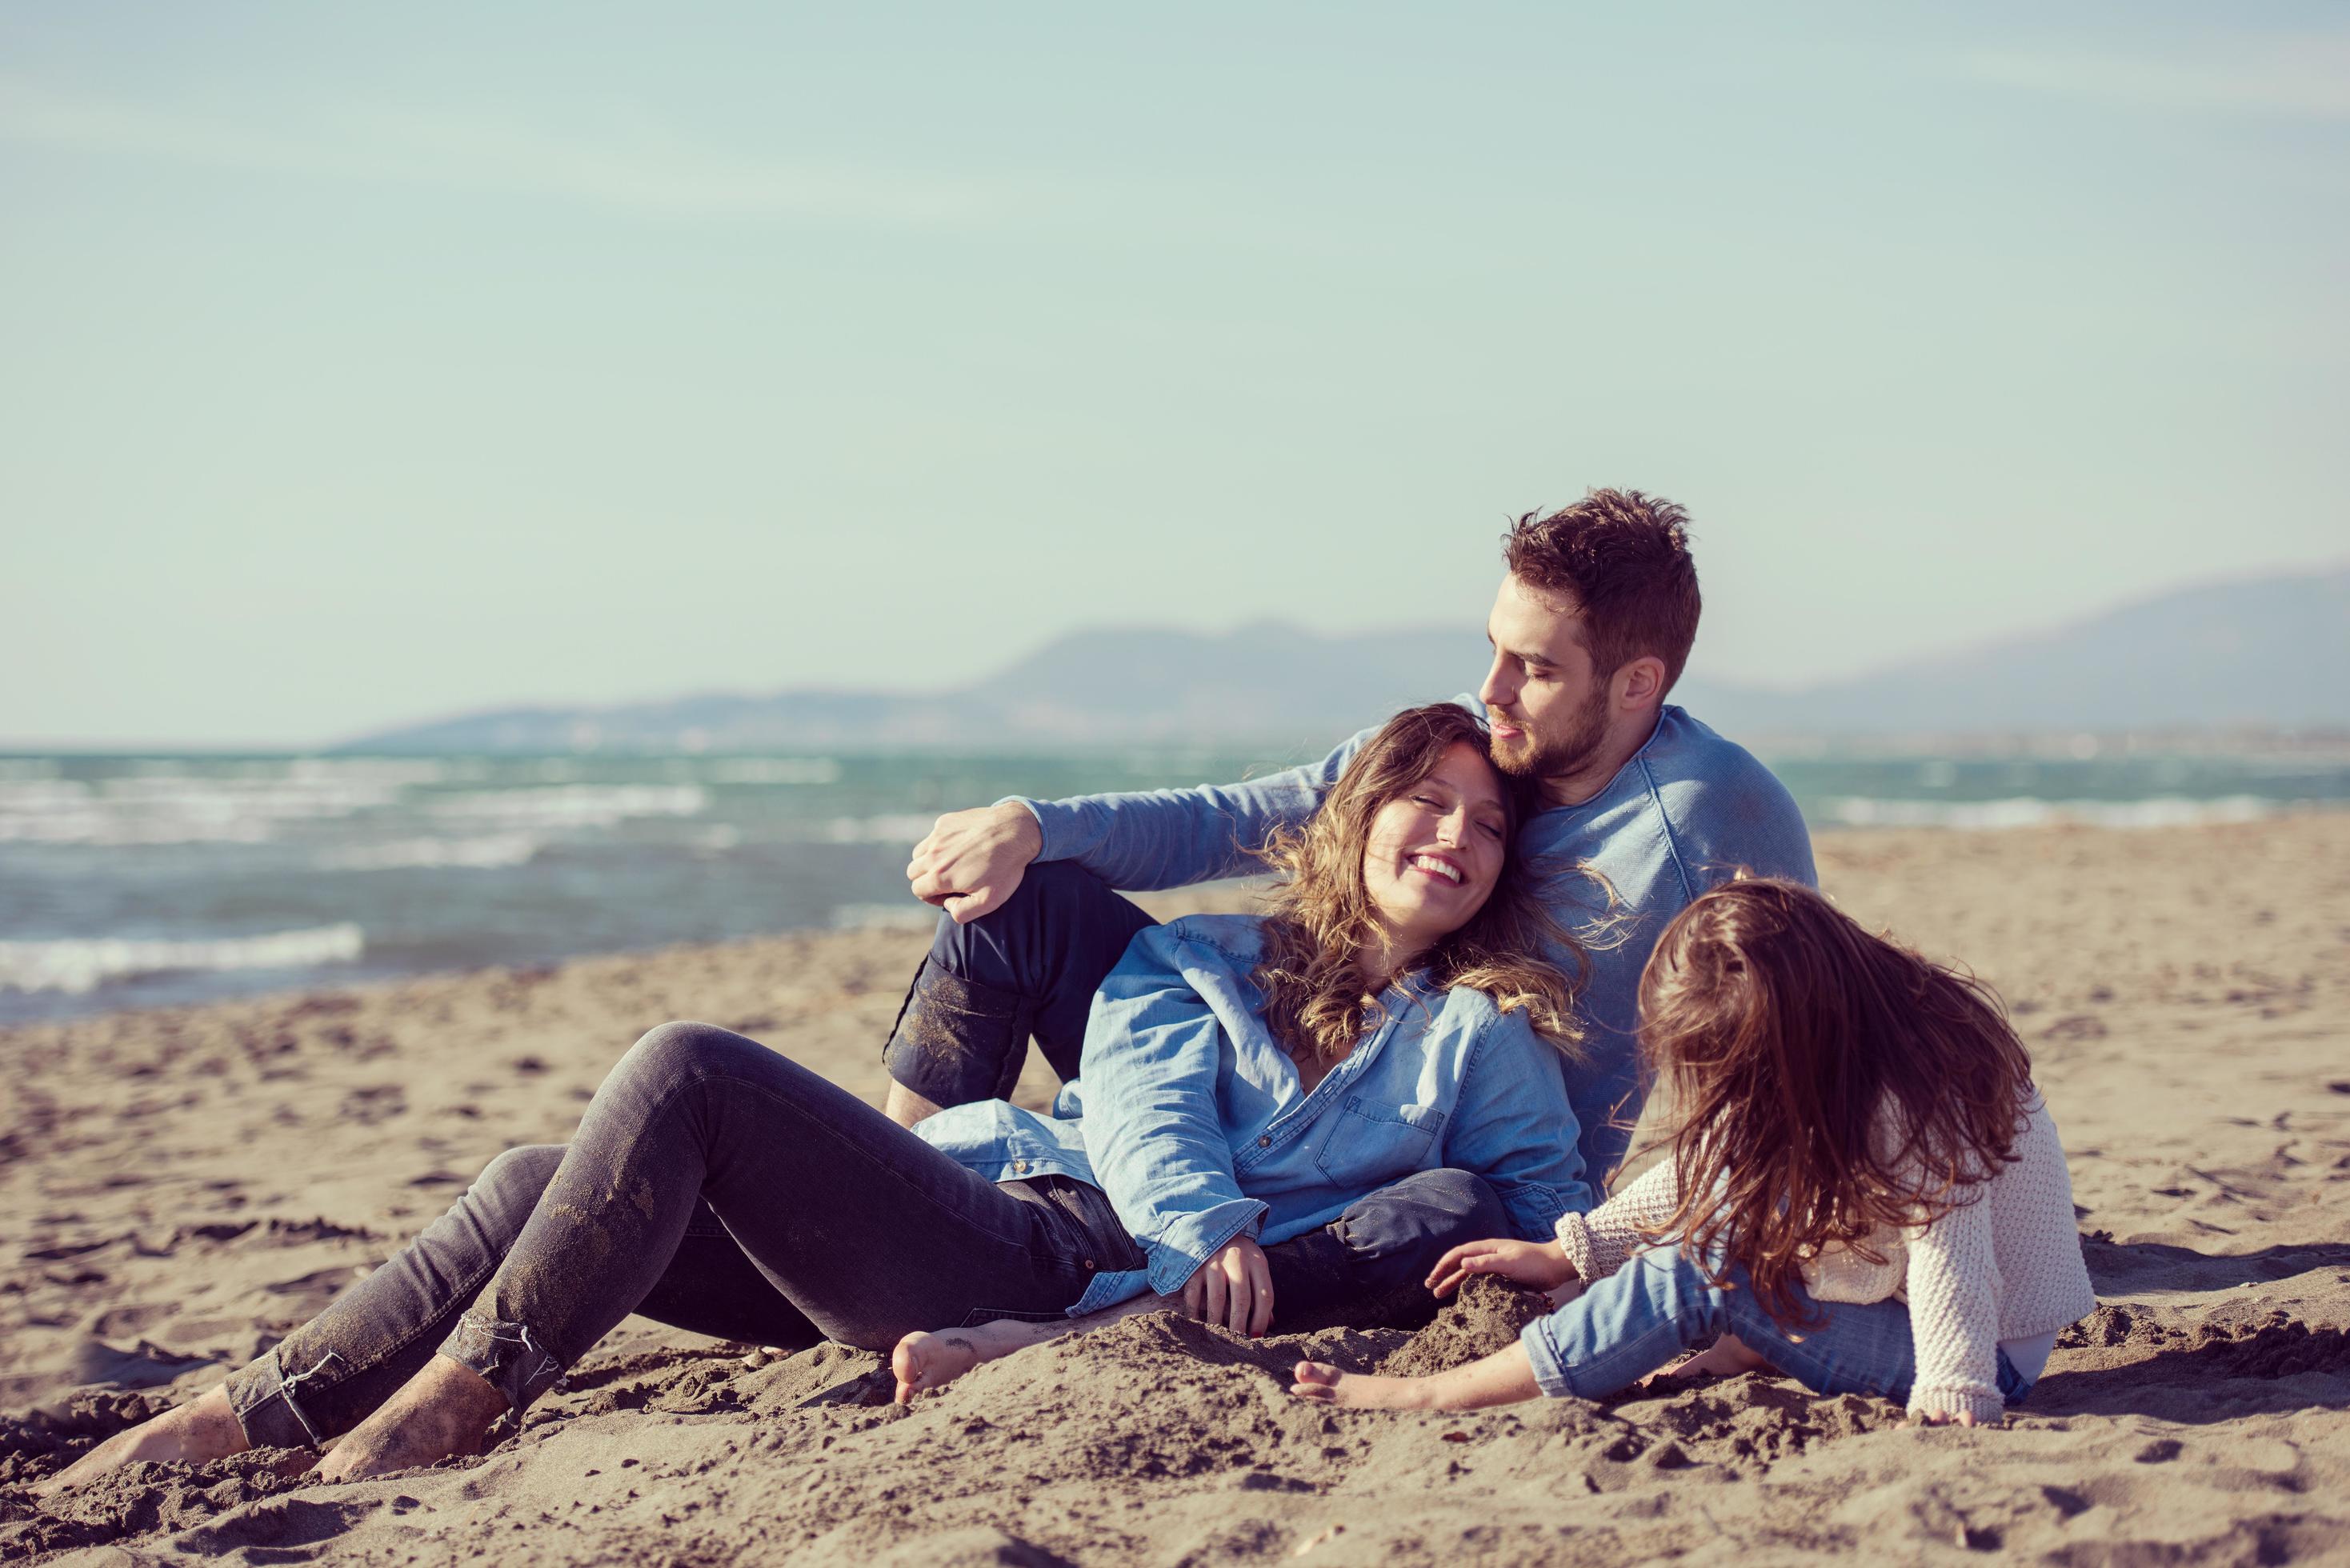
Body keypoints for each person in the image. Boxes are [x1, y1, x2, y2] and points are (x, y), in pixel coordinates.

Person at [42, 704, 1590, 1494]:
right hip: (1004, 1214)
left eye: (1481, 823)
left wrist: (1544, 1250)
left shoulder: (1478, 1040)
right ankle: (240, 1415)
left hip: (1059, 1267)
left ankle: (476, 1388)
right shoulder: (1197, 956)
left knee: (686, 1068)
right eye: (1422, 800)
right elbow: (1135, 1104)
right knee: (534, 1178)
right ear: (1356, 815)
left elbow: (1527, 1206)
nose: (1450, 835)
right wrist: (1201, 1226)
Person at [892, 489, 1816, 1208]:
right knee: (1023, 901)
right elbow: (1233, 819)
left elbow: (1799, 1054)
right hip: (1284, 1069)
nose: (1491, 689)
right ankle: (894, 1188)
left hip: (1421, 1163)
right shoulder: (1471, 744)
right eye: (1493, 647)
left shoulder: (1712, 814)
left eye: (1535, 670)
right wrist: (1035, 823)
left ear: (1636, 684)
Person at [1287, 879, 2098, 1428]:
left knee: (1698, 1272)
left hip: (1975, 1346)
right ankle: (1746, 1339)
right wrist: (1570, 1249)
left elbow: (1948, 1254)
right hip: (1890, 1294)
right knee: (1713, 1226)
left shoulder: (1918, 1088)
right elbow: (1712, 1164)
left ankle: (1431, 1394)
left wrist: (1956, 1390)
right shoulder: (1856, 1026)